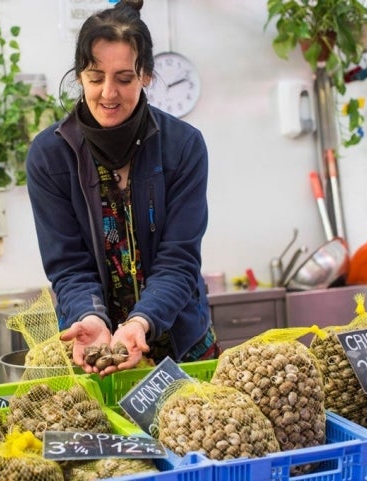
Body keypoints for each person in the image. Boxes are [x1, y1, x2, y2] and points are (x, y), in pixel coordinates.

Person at [25, 0, 220, 376]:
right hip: (95, 347)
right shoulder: (50, 156)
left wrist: (140, 321)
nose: (108, 93)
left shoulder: (182, 146)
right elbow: (68, 266)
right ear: (80, 74)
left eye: (124, 78)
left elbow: (179, 260)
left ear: (145, 74)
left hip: (181, 343)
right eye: (96, 77)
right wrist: (90, 316)